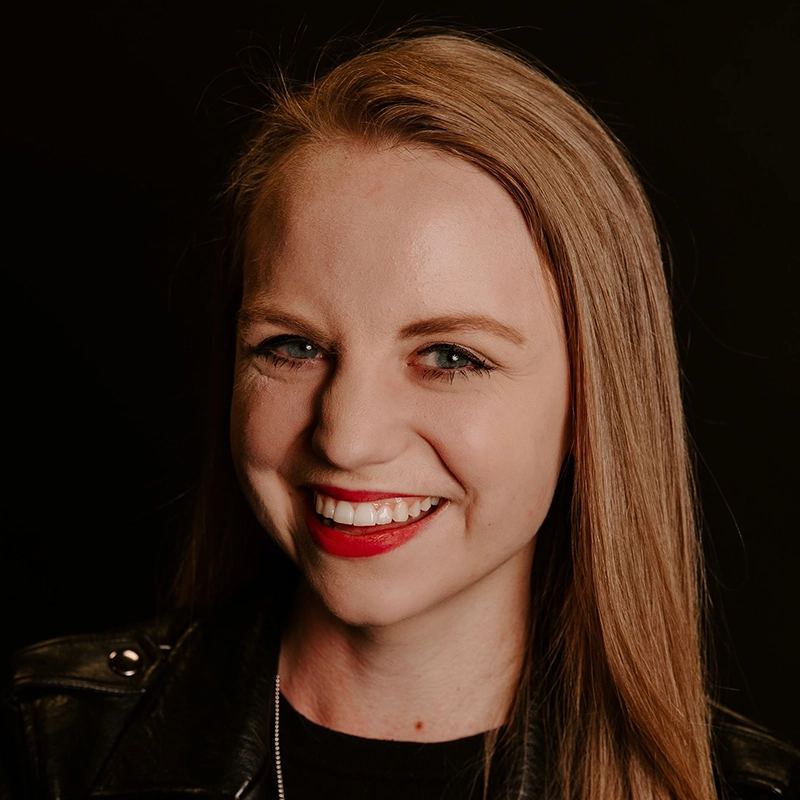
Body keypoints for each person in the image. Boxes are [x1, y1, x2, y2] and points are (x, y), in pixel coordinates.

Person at [2, 31, 797, 800]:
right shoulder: (41, 746)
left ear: (595, 403)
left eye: (451, 356)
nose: (347, 437)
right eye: (293, 347)